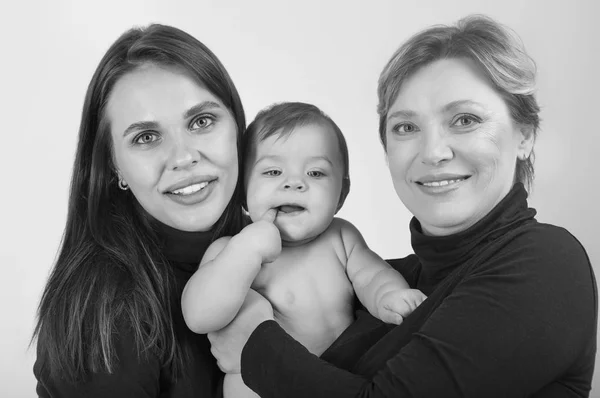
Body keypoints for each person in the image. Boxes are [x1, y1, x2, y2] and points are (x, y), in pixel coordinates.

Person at [207, 15, 598, 397]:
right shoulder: (387, 279)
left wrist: (254, 346)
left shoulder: (545, 263)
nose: (433, 152)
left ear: (525, 134)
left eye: (465, 119)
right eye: (406, 127)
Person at [32, 24, 247, 397]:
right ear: (115, 168)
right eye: (146, 138)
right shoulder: (106, 310)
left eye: (202, 121)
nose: (183, 157)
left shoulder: (280, 248)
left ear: (237, 127)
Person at [181, 102, 427, 397]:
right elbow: (199, 315)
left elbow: (372, 275)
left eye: (316, 173)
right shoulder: (230, 250)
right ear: (242, 193)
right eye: (272, 171)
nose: (294, 183)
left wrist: (390, 296)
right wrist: (247, 248)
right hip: (258, 386)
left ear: (341, 195)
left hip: (330, 381)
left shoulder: (341, 237)